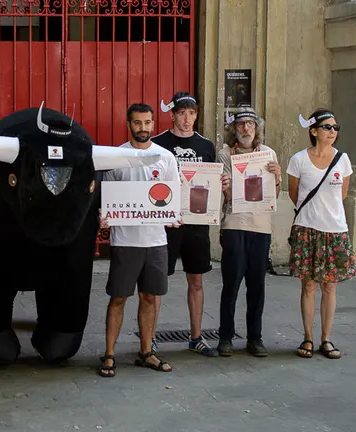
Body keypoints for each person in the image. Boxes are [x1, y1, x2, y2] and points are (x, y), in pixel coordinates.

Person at [98, 104, 177, 377]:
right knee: (118, 298)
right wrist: (104, 217)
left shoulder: (165, 157)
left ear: (153, 124)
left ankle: (147, 351)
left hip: (156, 240)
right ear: (128, 124)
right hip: (125, 240)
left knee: (150, 297)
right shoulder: (116, 157)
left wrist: (174, 214)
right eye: (137, 123)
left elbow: (171, 196)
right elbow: (107, 196)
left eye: (147, 122)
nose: (142, 128)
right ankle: (109, 354)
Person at [152, 92, 229, 357]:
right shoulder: (157, 144)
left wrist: (223, 185)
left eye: (191, 113)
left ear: (197, 115)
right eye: (182, 113)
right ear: (172, 114)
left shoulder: (206, 146)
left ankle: (196, 337)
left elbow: (213, 182)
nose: (186, 119)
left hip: (197, 224)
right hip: (167, 224)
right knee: (158, 281)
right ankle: (149, 338)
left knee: (196, 280)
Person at [287, 109, 356, 360]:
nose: (333, 132)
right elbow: (294, 195)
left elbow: (343, 195)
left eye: (336, 128)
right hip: (307, 229)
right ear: (314, 131)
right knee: (308, 285)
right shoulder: (298, 160)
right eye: (328, 127)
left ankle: (326, 338)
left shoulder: (343, 160)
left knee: (330, 286)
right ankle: (307, 336)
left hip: (335, 229)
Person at [216, 108, 281, 357]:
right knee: (231, 284)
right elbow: (230, 195)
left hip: (261, 226)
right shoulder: (224, 155)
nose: (246, 128)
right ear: (234, 129)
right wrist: (226, 187)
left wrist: (276, 177)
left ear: (257, 128)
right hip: (234, 224)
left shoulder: (268, 154)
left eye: (250, 124)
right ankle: (225, 337)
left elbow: (273, 195)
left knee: (257, 285)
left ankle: (255, 338)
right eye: (241, 124)